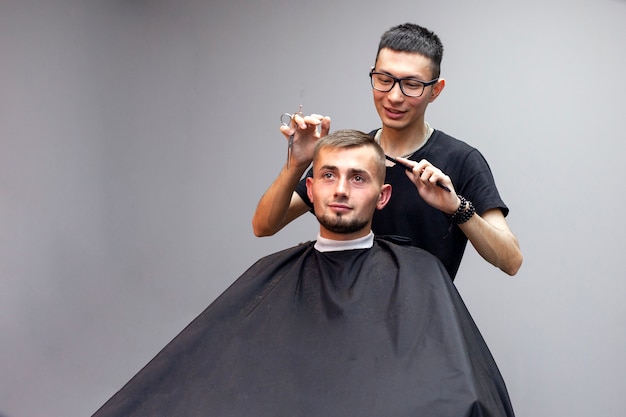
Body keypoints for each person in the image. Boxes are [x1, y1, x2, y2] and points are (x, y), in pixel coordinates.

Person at [92, 131, 515, 417]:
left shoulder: (421, 275)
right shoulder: (270, 276)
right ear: (310, 191)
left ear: (383, 196)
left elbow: (464, 396)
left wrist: (456, 207)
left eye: (358, 179)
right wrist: (297, 162)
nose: (342, 190)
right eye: (328, 176)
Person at [252, 23, 522, 279]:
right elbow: (264, 226)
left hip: (421, 319)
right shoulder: (354, 156)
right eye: (384, 79)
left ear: (435, 90)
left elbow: (510, 260)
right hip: (346, 316)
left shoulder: (460, 160)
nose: (394, 96)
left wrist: (456, 208)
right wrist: (296, 164)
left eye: (412, 85)